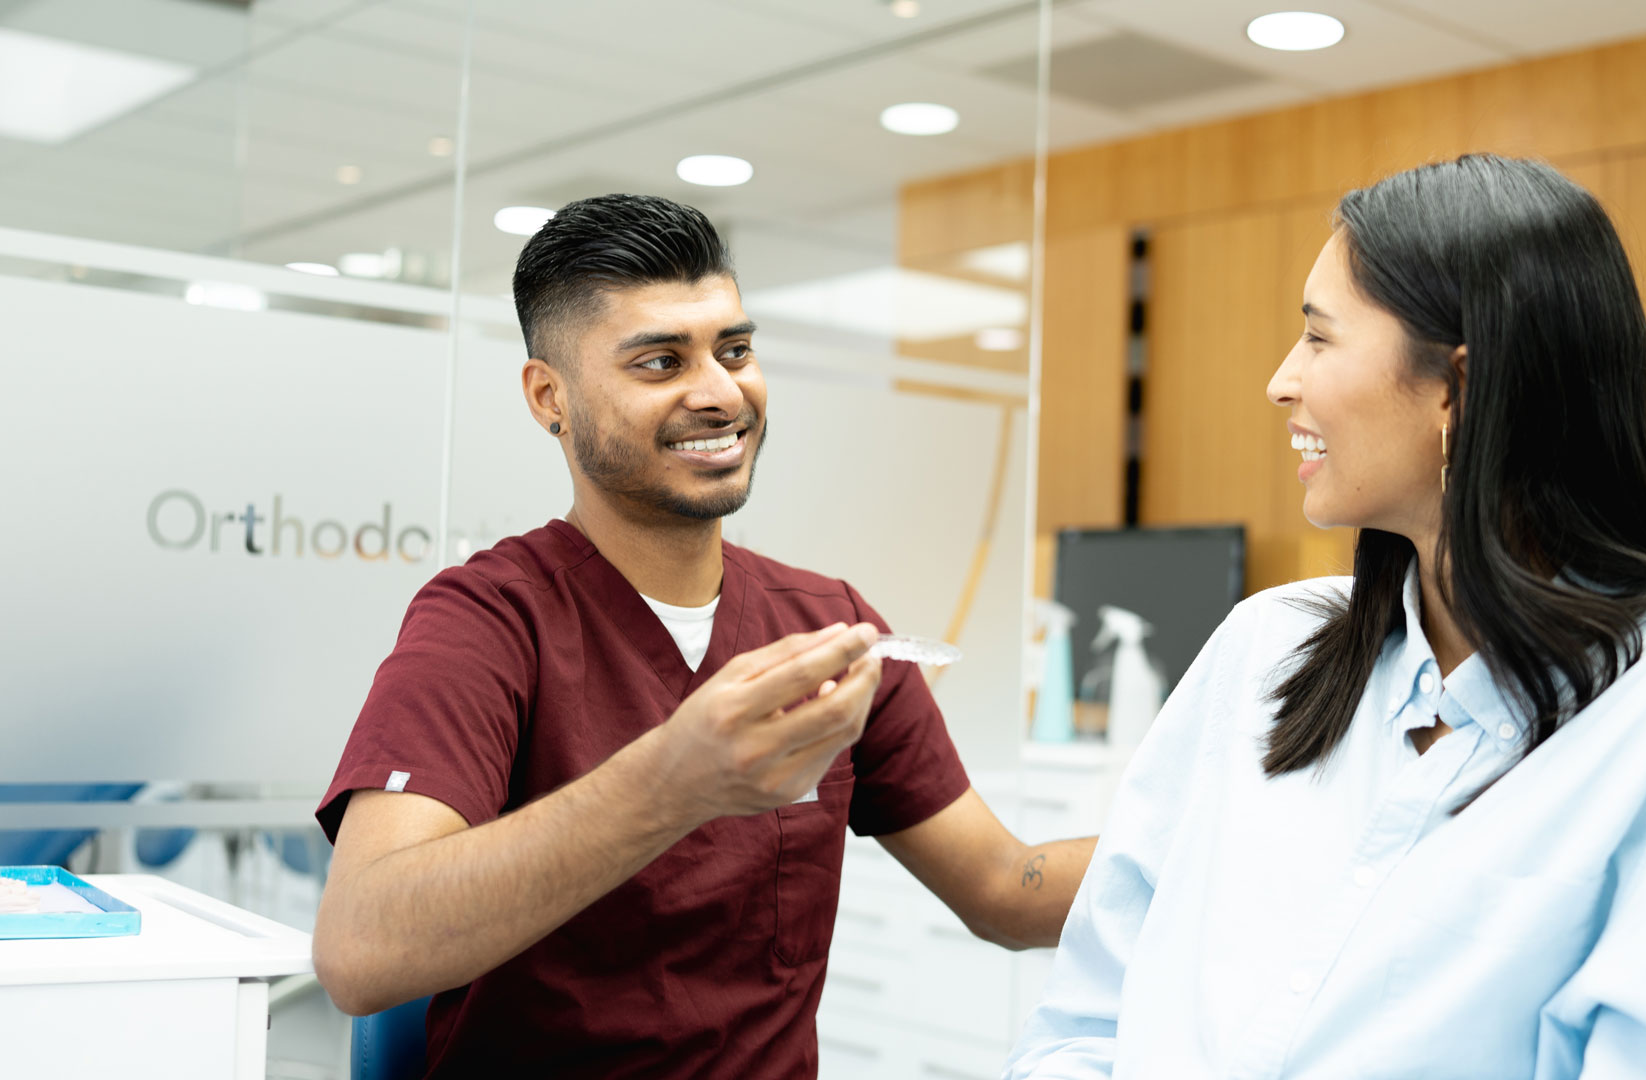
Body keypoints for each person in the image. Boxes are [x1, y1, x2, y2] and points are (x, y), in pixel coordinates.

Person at [1004, 155, 1646, 1078]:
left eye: (1319, 339)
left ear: (1457, 388)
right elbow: (1085, 1025)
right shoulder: (1265, 648)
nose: (1282, 382)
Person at [310, 194, 1095, 1078]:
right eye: (659, 362)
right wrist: (671, 781)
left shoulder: (829, 628)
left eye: (736, 351)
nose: (722, 393)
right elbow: (360, 950)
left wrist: (1231, 838)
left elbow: (1003, 891)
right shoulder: (490, 620)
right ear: (549, 397)